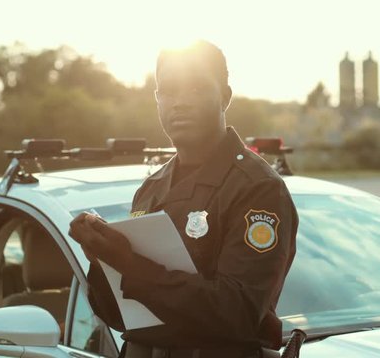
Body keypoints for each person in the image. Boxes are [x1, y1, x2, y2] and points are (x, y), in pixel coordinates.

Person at [68, 40, 298, 358]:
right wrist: (103, 258)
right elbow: (122, 318)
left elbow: (237, 313)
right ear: (157, 100)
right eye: (169, 91)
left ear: (225, 97)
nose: (180, 103)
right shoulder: (151, 188)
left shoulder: (257, 189)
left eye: (196, 89)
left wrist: (131, 266)